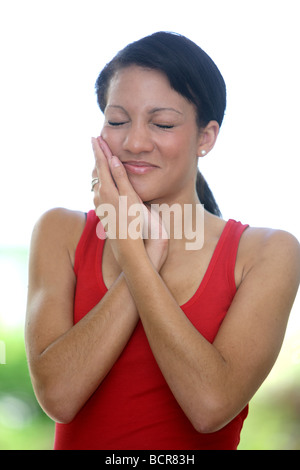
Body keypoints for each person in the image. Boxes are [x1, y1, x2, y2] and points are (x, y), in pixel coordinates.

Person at [25, 32, 300, 450]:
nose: (134, 143)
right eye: (117, 121)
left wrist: (135, 255)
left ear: (206, 137)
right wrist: (146, 254)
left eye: (163, 124)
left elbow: (210, 405)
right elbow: (59, 397)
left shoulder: (267, 253)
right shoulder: (59, 232)